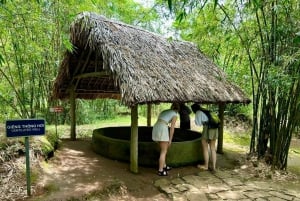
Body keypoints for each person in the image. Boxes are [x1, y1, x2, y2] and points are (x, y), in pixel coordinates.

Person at [152, 103, 180, 176]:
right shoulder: (175, 114)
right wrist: (170, 139)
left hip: (156, 127)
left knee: (163, 150)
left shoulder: (165, 111)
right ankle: (160, 170)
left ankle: (164, 166)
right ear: (178, 109)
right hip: (162, 128)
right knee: (164, 151)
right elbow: (172, 128)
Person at [191, 103, 218, 172]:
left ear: (194, 109)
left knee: (205, 148)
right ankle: (214, 167)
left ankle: (206, 166)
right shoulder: (205, 110)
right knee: (212, 148)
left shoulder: (198, 112)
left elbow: (198, 124)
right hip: (215, 129)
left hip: (207, 129)